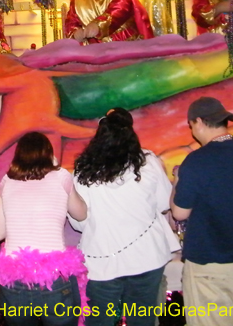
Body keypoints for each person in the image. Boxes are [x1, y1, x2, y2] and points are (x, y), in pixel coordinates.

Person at [70, 108, 178, 326]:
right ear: (131, 134)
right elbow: (165, 203)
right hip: (147, 258)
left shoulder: (83, 169)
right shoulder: (147, 161)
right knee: (142, 321)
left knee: (100, 322)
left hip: (101, 263)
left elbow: (78, 222)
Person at [171, 96, 233, 326]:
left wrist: (177, 181)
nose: (192, 130)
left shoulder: (195, 161)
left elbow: (179, 213)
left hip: (208, 269)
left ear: (200, 122)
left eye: (191, 125)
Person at [0, 132, 88, 325]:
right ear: (49, 153)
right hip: (55, 276)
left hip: (14, 278)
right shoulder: (61, 177)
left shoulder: (7, 180)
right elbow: (81, 213)